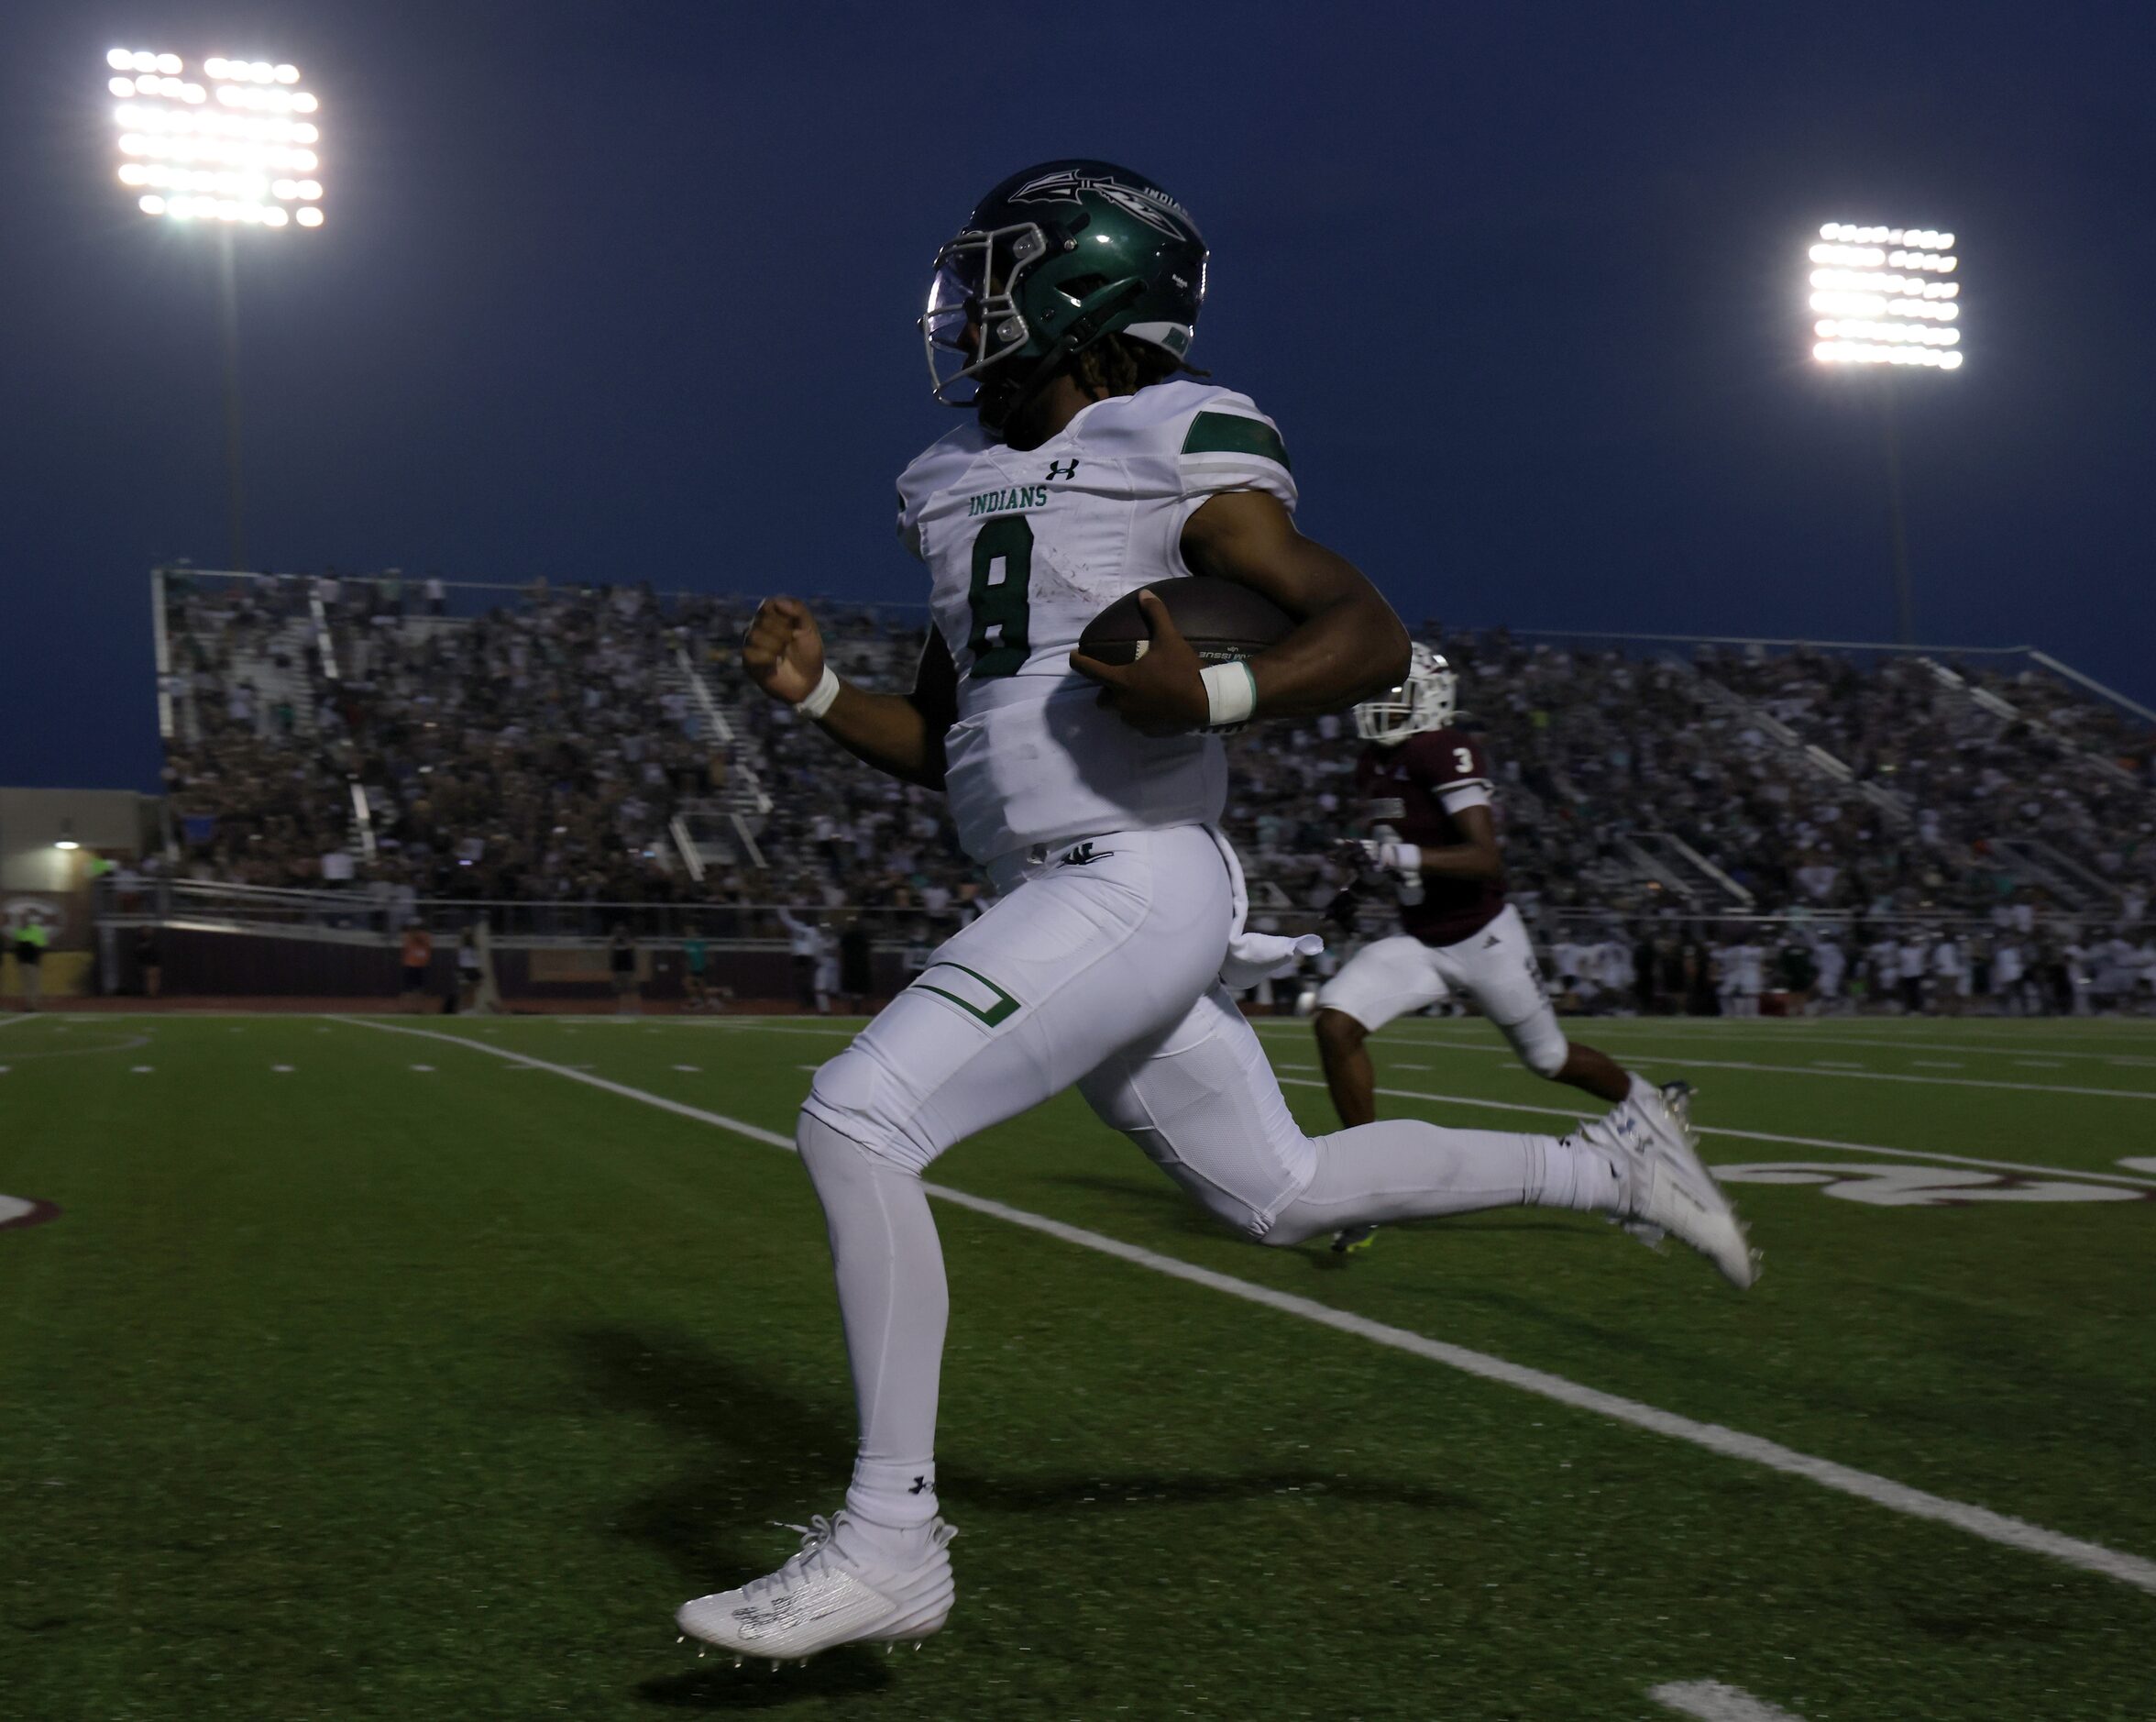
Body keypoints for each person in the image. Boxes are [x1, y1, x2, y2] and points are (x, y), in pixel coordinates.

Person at [674, 159, 1754, 1664]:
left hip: (1139, 874)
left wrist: (1225, 687)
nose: (963, 310)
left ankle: (891, 1539)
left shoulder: (1171, 432)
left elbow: (1363, 631)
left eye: (993, 276)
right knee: (1278, 1193)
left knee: (857, 1118)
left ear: (1076, 293)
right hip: (1060, 889)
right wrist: (819, 699)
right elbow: (955, 743)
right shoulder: (944, 482)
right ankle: (1612, 1164)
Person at [1307, 647, 1688, 1256]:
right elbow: (1393, 846)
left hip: (1482, 936)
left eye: (1395, 694)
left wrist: (1394, 860)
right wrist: (1358, 889)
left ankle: (1649, 1103)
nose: (1380, 705)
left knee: (1549, 1059)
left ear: (1429, 698)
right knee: (1334, 1024)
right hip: (1420, 939)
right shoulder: (1371, 764)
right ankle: (1367, 1184)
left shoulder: (1442, 749)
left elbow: (1484, 857)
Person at [13, 915, 50, 1010]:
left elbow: (40, 946)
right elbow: (41, 947)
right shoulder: (22, 931)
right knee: (30, 985)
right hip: (29, 962)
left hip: (28, 962)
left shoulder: (28, 931)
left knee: (30, 985)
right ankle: (31, 1005)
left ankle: (31, 1004)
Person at [398, 921, 433, 1013]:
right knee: (407, 990)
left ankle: (418, 1009)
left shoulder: (424, 936)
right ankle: (406, 1009)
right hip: (410, 965)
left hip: (419, 966)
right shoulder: (408, 936)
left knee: (419, 990)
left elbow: (424, 941)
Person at [610, 923, 640, 1016]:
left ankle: (635, 1009)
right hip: (618, 970)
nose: (620, 934)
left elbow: (633, 946)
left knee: (632, 991)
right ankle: (623, 1009)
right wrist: (614, 939)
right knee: (622, 992)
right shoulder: (615, 943)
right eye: (618, 932)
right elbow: (608, 947)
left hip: (629, 970)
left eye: (622, 932)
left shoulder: (630, 941)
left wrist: (626, 939)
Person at [683, 922, 712, 1013]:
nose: (689, 933)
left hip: (700, 968)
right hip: (692, 968)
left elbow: (707, 952)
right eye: (687, 931)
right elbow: (687, 957)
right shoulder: (686, 943)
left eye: (690, 931)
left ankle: (706, 1002)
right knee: (687, 983)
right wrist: (687, 967)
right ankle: (695, 1000)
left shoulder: (700, 942)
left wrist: (708, 960)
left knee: (702, 986)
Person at [135, 923, 163, 999]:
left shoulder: (153, 940)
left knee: (156, 980)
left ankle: (154, 994)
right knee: (150, 980)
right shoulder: (141, 941)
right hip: (148, 964)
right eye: (147, 930)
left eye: (149, 930)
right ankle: (151, 996)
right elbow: (139, 953)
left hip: (155, 963)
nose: (149, 931)